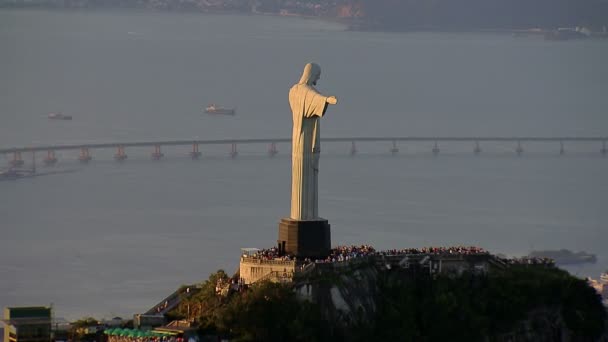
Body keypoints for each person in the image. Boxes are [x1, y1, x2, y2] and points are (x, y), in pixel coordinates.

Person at [288, 63, 337, 220]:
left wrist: (323, 99)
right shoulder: (303, 91)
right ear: (311, 74)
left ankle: (302, 215)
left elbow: (310, 98)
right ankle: (306, 215)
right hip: (306, 142)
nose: (318, 78)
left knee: (301, 175)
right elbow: (314, 98)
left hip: (297, 138)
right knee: (306, 175)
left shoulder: (293, 90)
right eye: (317, 75)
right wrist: (328, 99)